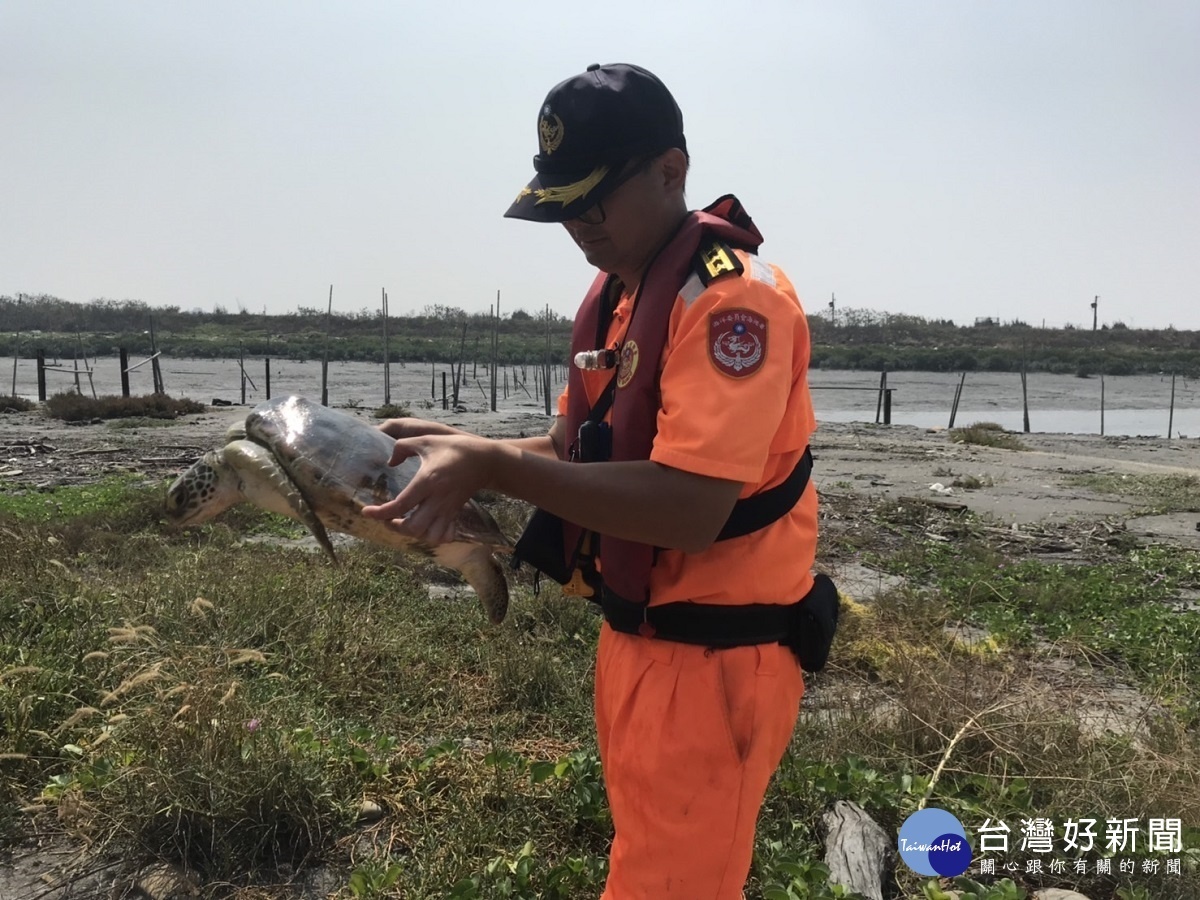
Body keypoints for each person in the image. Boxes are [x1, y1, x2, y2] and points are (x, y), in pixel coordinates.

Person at [363, 62, 826, 900]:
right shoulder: (626, 292)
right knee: (650, 861)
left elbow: (689, 507)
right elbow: (579, 448)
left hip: (716, 660)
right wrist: (462, 443)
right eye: (560, 205)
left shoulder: (732, 306)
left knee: (674, 885)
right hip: (641, 645)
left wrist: (495, 467)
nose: (576, 223)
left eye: (593, 198)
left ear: (671, 171)